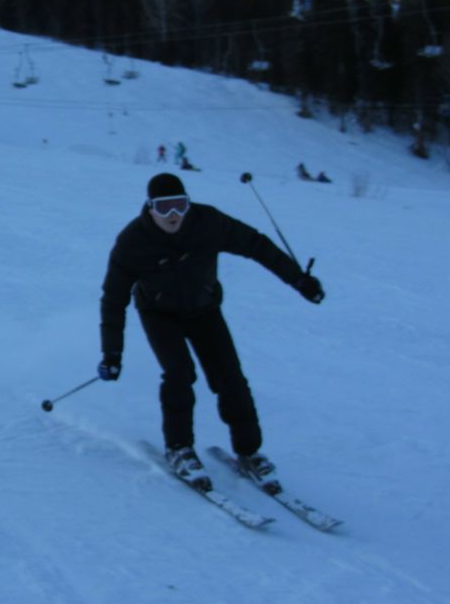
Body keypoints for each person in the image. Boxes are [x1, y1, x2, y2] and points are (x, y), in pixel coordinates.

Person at [97, 172, 324, 492]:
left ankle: (249, 452)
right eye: (164, 208)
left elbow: (257, 245)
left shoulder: (208, 222)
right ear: (150, 208)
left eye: (180, 205)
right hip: (159, 313)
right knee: (179, 374)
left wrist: (299, 280)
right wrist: (112, 353)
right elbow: (113, 299)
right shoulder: (132, 242)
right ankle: (179, 449)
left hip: (204, 309)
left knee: (230, 377)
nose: (174, 214)